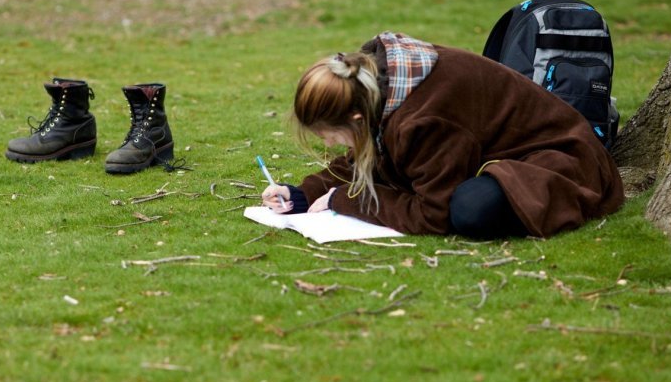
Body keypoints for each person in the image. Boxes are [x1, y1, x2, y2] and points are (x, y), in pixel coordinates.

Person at [261, 32, 624, 239]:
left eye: (329, 135)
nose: (329, 144)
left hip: (560, 162)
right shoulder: (378, 87)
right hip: (504, 156)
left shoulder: (423, 119)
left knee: (470, 210)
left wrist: (346, 199)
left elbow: (433, 216)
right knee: (458, 197)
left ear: (356, 116)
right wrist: (303, 195)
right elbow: (368, 155)